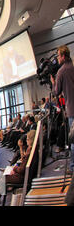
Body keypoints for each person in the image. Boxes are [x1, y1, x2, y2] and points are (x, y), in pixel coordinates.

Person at [0, 130, 36, 205]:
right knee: (4, 175)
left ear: (31, 140)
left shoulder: (30, 151)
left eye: (28, 139)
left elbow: (22, 169)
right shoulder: (31, 149)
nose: (26, 141)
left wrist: (14, 169)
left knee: (3, 177)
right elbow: (23, 162)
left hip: (22, 177)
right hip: (23, 174)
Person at [51, 45, 74, 173]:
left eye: (58, 56)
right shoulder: (73, 66)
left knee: (73, 140)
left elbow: (56, 91)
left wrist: (53, 81)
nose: (57, 59)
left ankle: (72, 168)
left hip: (72, 110)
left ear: (63, 56)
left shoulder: (62, 71)